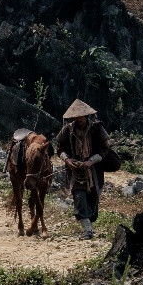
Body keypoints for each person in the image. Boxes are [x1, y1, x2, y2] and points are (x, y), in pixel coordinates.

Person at [54, 99, 111, 240]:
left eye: (81, 116)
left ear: (86, 116)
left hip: (94, 171)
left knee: (92, 200)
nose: (78, 119)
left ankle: (89, 223)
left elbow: (105, 149)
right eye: (76, 117)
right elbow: (59, 148)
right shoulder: (67, 130)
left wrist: (91, 161)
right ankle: (87, 231)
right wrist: (67, 160)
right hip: (75, 171)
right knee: (79, 198)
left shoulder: (97, 129)